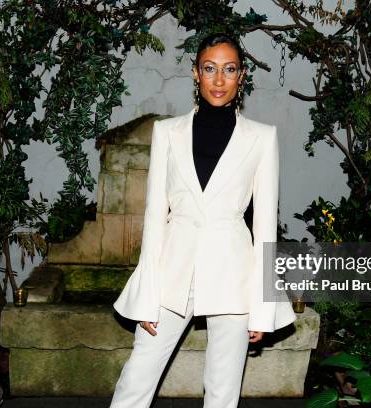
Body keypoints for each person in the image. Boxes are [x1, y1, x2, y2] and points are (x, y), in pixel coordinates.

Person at [110, 32, 297, 408]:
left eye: (229, 70)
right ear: (196, 73)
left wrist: (263, 306)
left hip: (234, 274)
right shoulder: (167, 133)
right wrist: (146, 294)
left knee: (222, 390)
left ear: (241, 75)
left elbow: (264, 227)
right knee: (136, 378)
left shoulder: (262, 138)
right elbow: (153, 217)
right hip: (171, 271)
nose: (218, 79)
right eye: (209, 69)